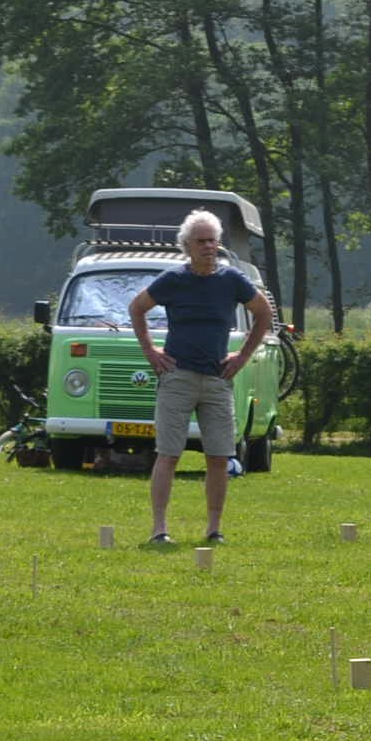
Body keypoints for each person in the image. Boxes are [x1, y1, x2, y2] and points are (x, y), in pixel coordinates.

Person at [130, 209, 273, 544]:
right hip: (177, 376)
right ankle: (159, 530)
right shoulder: (173, 280)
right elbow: (137, 308)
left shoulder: (232, 280)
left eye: (213, 240)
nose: (209, 246)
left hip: (217, 379)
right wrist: (150, 351)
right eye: (201, 241)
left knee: (220, 457)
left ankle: (213, 529)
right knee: (168, 454)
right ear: (187, 246)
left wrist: (243, 355)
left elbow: (264, 313)